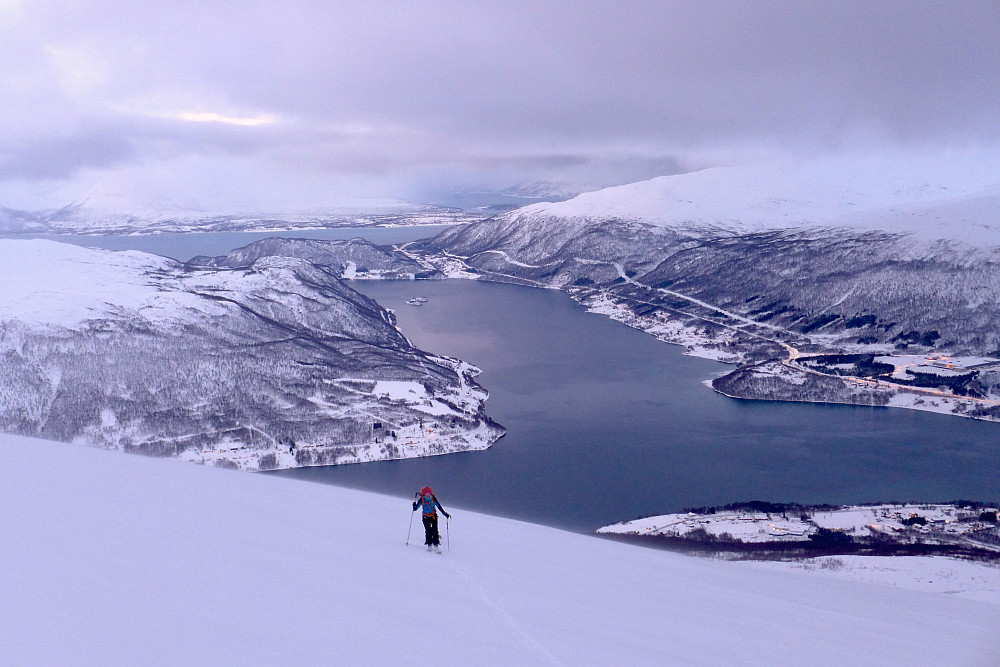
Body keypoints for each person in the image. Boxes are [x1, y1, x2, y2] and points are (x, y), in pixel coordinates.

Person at [412, 486, 450, 550]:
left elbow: (439, 506)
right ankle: (429, 545)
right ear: (424, 493)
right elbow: (415, 509)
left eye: (429, 492)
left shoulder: (433, 499)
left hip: (433, 517)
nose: (428, 494)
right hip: (425, 517)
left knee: (435, 530)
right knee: (428, 531)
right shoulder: (422, 500)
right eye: (426, 493)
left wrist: (444, 514)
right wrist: (414, 505)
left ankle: (436, 545)